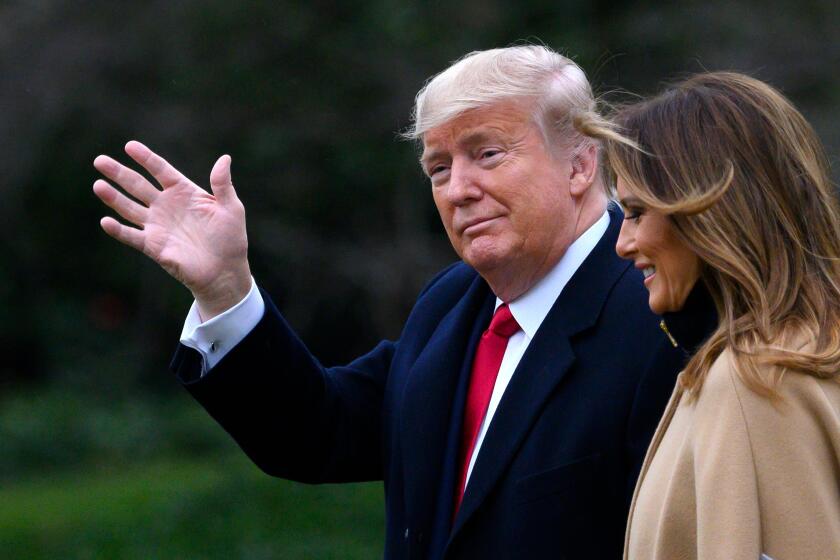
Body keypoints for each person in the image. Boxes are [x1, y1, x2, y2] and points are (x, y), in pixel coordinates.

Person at [93, 46, 684, 559]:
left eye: (487, 154)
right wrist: (224, 288)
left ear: (581, 163)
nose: (458, 190)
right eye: (438, 167)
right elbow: (319, 431)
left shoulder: (662, 311)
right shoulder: (451, 304)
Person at [589, 72, 840, 559]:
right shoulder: (803, 350)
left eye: (638, 212)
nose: (622, 244)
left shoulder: (756, 381)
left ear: (712, 214)